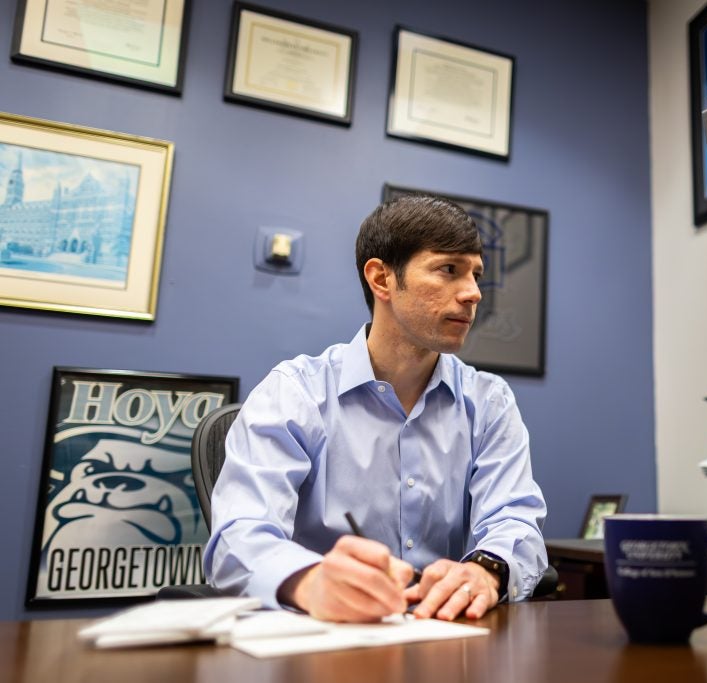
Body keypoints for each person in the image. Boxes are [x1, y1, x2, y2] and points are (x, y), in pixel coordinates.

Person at [203, 195, 548, 623]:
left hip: (445, 639)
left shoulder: (489, 402)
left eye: (476, 274)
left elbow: (514, 520)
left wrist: (487, 571)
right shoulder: (295, 393)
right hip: (323, 640)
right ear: (381, 279)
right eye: (449, 270)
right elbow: (239, 537)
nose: (474, 293)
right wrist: (311, 582)